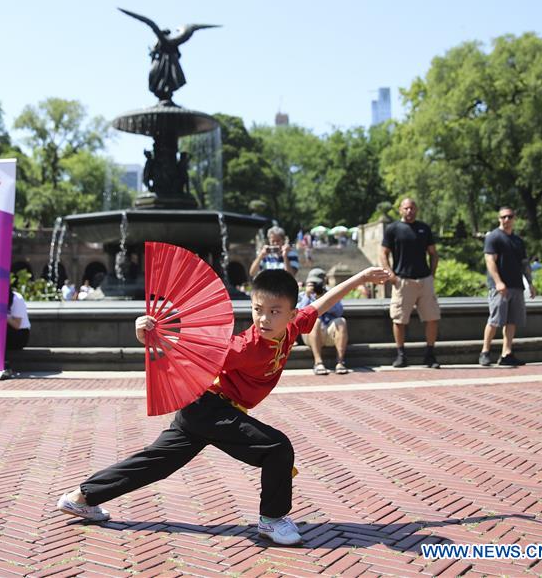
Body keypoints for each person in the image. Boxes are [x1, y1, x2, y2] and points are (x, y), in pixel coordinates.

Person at [56, 265, 391, 545]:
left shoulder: (292, 329)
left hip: (202, 410)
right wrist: (150, 336)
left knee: (157, 462)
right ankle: (272, 520)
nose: (264, 319)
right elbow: (193, 348)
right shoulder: (245, 346)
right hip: (209, 407)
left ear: (290, 313)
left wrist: (360, 278)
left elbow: (320, 304)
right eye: (258, 310)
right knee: (276, 448)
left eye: (274, 312)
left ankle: (81, 497)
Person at [379, 198, 441, 368]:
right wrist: (390, 275)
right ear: (400, 210)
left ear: (417, 209)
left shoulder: (424, 228)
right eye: (406, 208)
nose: (409, 211)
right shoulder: (393, 229)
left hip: (424, 280)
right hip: (402, 281)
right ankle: (401, 354)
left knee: (432, 318)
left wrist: (432, 275)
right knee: (399, 320)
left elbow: (433, 254)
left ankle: (430, 354)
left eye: (412, 208)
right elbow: (383, 253)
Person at [480, 206, 535, 367]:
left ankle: (507, 353)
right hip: (499, 287)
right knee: (495, 320)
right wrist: (498, 282)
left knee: (512, 321)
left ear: (514, 219)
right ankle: (485, 352)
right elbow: (490, 261)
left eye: (510, 217)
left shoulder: (518, 241)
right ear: (499, 219)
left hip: (516, 285)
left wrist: (530, 283)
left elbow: (524, 264)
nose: (506, 220)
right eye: (503, 217)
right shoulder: (493, 237)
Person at [297, 270, 349, 375]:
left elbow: (339, 311)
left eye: (318, 284)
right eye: (313, 283)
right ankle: (318, 363)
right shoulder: (302, 296)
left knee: (341, 321)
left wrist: (324, 300)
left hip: (329, 331)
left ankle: (340, 362)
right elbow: (299, 315)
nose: (316, 287)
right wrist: (308, 297)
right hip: (311, 334)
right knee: (315, 321)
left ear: (324, 283)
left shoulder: (331, 294)